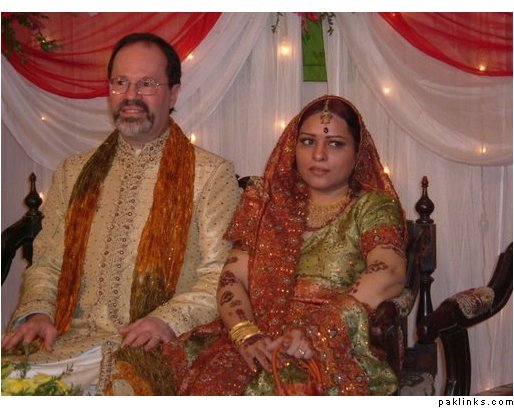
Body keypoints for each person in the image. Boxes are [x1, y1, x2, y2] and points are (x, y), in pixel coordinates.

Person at [1, 32, 240, 395]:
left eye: (147, 84)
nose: (131, 95)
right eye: (121, 82)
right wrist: (38, 313)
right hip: (65, 337)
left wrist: (166, 320)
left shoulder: (210, 175)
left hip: (155, 345)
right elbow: (48, 263)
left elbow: (220, 275)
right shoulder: (74, 172)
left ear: (173, 94)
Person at [163, 95, 407, 396]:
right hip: (257, 335)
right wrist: (246, 334)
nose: (318, 155)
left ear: (358, 152)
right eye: (307, 141)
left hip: (330, 345)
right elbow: (232, 277)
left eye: (335, 144)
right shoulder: (267, 204)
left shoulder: (372, 206)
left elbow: (388, 272)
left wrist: (318, 332)